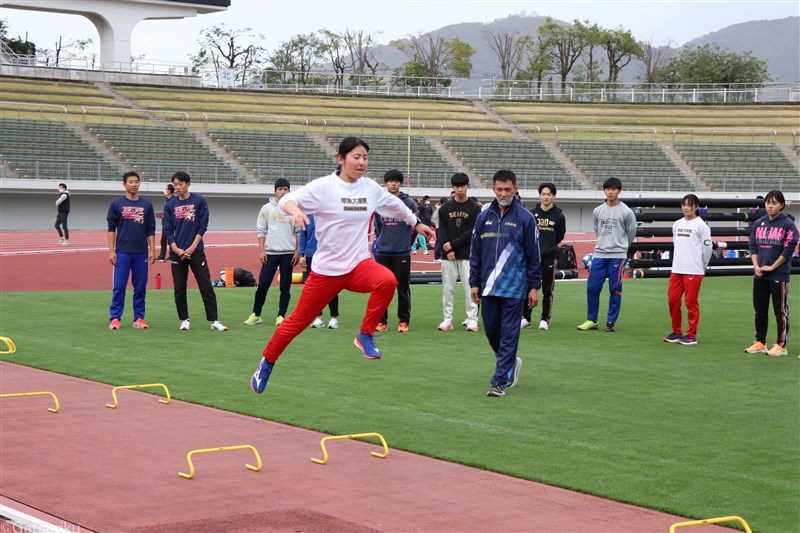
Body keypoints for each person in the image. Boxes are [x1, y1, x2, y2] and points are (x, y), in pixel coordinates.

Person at [249, 137, 435, 394]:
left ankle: (365, 335)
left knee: (387, 281)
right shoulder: (324, 187)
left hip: (358, 265)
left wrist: (416, 223)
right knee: (295, 323)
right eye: (356, 157)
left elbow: (394, 205)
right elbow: (286, 200)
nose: (361, 162)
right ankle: (266, 363)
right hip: (326, 272)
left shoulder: (369, 188)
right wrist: (297, 211)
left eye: (365, 158)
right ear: (341, 159)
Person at [470, 170, 541, 398]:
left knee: (509, 333)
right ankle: (510, 362)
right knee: (492, 331)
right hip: (488, 286)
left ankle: (498, 382)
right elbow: (476, 253)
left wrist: (534, 286)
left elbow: (534, 254)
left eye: (507, 189)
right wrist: (473, 283)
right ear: (493, 189)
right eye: (499, 189)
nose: (503, 193)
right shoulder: (483, 217)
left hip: (515, 287)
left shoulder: (525, 218)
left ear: (515, 189)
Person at [162, 171, 228, 332]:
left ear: (188, 184)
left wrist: (192, 248)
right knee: (179, 287)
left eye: (180, 184)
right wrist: (176, 248)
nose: (177, 187)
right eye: (175, 185)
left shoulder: (199, 201)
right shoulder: (170, 205)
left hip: (196, 251)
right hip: (177, 253)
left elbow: (202, 226)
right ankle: (184, 320)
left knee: (206, 285)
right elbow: (167, 229)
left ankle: (214, 320)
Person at [577, 177, 637, 333]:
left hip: (618, 255)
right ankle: (592, 319)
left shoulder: (626, 212)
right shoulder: (598, 211)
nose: (610, 192)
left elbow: (631, 232)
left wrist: (621, 247)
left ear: (619, 191)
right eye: (608, 189)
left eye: (614, 189)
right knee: (592, 288)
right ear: (604, 190)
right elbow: (598, 230)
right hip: (599, 254)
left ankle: (611, 322)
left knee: (615, 288)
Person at [744, 189, 798, 357]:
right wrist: (757, 266)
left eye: (774, 203)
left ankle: (781, 344)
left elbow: (788, 249)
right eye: (768, 202)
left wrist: (772, 266)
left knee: (780, 310)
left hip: (779, 274)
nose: (770, 206)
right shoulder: (759, 223)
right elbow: (752, 245)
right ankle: (760, 341)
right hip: (760, 273)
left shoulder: (788, 224)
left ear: (781, 205)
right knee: (759, 309)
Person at [244, 178, 299, 327]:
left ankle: (281, 315)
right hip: (270, 253)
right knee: (263, 285)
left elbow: (298, 232)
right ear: (275, 191)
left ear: (289, 191)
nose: (282, 192)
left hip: (288, 253)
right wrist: (262, 250)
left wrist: (297, 251)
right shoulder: (266, 208)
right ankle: (256, 314)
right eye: (280, 189)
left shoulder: (293, 209)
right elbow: (261, 230)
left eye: (285, 189)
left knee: (285, 287)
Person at [106, 171, 156, 330]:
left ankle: (139, 318)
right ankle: (115, 318)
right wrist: (111, 251)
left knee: (140, 287)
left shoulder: (146, 205)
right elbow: (111, 229)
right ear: (124, 184)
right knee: (119, 286)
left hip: (141, 252)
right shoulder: (116, 204)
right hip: (122, 252)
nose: (134, 184)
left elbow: (150, 230)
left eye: (136, 181)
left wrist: (152, 250)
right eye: (131, 182)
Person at [662, 194, 712, 346]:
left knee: (691, 303)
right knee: (673, 301)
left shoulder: (702, 226)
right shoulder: (677, 224)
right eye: (684, 204)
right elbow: (676, 244)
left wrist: (702, 266)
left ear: (696, 207)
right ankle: (676, 331)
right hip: (677, 269)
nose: (686, 208)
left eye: (689, 205)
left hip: (694, 271)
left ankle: (691, 335)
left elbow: (707, 248)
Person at [435, 172, 481, 332]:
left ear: (468, 186)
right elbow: (443, 229)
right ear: (453, 187)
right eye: (457, 186)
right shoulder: (445, 208)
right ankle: (447, 319)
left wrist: (452, 245)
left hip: (467, 253)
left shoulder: (475, 208)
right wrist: (448, 250)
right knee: (448, 288)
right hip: (448, 255)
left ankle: (472, 319)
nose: (460, 189)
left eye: (462, 186)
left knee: (470, 288)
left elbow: (472, 231)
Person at [374, 169, 417, 333]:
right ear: (385, 183)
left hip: (402, 252)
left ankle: (403, 321)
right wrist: (383, 240)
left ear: (400, 183)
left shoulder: (409, 203)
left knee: (403, 288)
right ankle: (381, 321)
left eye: (396, 181)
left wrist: (406, 243)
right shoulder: (380, 202)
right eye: (390, 181)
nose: (393, 184)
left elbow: (414, 226)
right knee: (382, 288)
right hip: (383, 252)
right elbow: (379, 226)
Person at [522, 182, 566, 331]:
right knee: (527, 287)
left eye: (549, 194)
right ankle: (526, 318)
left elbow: (559, 237)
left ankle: (544, 319)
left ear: (553, 196)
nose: (546, 197)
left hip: (549, 257)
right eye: (543, 194)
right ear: (540, 195)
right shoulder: (531, 214)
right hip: (532, 257)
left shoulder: (559, 216)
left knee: (547, 290)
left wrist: (548, 247)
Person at [299, 213, 340, 329]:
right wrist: (301, 254)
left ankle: (334, 318)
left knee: (332, 286)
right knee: (314, 288)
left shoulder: (331, 215)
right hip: (312, 255)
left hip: (328, 255)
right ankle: (318, 317)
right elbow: (303, 236)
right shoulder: (306, 217)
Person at [155, 183, 174, 261]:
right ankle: (162, 255)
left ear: (169, 191)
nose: (165, 190)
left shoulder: (174, 200)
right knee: (163, 240)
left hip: (170, 223)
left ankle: (172, 255)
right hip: (165, 223)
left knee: (170, 239)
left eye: (166, 189)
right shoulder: (166, 200)